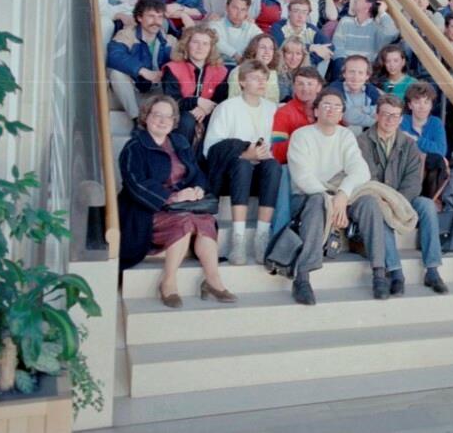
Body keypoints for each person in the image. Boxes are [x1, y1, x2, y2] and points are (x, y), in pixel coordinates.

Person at [117, 95, 235, 307]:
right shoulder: (134, 147)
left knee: (206, 221)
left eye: (168, 117)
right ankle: (168, 282)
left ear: (174, 121)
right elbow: (136, 184)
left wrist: (198, 188)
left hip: (182, 205)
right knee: (185, 221)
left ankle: (213, 280)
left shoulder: (179, 142)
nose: (163, 121)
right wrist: (173, 197)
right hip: (148, 208)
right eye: (157, 115)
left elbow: (195, 172)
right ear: (146, 117)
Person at [287, 89, 389, 305]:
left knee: (369, 202)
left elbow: (360, 170)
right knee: (317, 201)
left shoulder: (345, 135)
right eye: (326, 105)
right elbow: (303, 177)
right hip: (308, 197)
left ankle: (379, 272)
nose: (331, 110)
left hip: (337, 195)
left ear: (342, 113)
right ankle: (302, 277)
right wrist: (330, 201)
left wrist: (342, 195)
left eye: (337, 106)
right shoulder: (301, 135)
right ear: (316, 110)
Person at [358, 96, 448, 296]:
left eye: (395, 116)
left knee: (426, 205)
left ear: (400, 119)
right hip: (377, 198)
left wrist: (398, 203)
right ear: (377, 115)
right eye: (386, 114)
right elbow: (366, 178)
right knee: (379, 211)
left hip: (404, 199)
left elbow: (413, 180)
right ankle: (396, 273)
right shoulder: (362, 142)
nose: (390, 119)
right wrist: (388, 203)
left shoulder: (409, 144)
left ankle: (432, 270)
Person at [203, 59, 280, 266]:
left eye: (264, 78)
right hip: (232, 174)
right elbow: (211, 148)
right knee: (242, 165)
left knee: (273, 166)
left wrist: (264, 153)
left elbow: (277, 144)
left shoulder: (272, 109)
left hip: (261, 172)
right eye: (255, 78)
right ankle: (238, 240)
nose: (261, 82)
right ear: (242, 82)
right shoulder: (227, 107)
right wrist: (244, 153)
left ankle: (262, 236)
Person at [107, 0, 173, 124]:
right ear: (139, 17)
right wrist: (142, 70)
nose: (156, 21)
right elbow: (114, 56)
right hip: (132, 92)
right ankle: (136, 120)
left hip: (156, 93)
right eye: (151, 16)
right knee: (116, 74)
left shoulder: (168, 40)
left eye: (160, 17)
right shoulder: (127, 34)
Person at [161, 25, 229, 145]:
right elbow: (172, 101)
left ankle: (205, 157)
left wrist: (204, 109)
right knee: (187, 120)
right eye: (195, 42)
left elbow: (222, 100)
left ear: (211, 48)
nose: (200, 47)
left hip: (208, 113)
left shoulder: (221, 71)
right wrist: (196, 101)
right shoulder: (172, 68)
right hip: (180, 114)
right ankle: (183, 156)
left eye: (205, 44)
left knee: (215, 119)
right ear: (186, 45)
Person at [331, 0, 398, 79]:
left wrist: (382, 12)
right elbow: (337, 46)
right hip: (344, 67)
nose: (355, 0)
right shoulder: (345, 21)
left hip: (365, 71)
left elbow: (391, 34)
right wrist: (348, 66)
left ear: (368, 5)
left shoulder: (377, 27)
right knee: (339, 63)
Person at [271, 66, 324, 164]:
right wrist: (301, 139)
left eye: (310, 84)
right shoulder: (284, 113)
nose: (305, 89)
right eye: (300, 84)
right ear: (294, 87)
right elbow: (276, 152)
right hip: (295, 163)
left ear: (319, 87)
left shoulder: (328, 109)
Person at [270, 0, 334, 68]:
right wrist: (311, 47)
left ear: (308, 14)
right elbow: (280, 44)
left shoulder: (311, 29)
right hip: (283, 67)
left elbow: (330, 46)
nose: (300, 16)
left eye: (304, 12)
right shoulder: (278, 26)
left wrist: (308, 61)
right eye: (296, 11)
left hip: (306, 68)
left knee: (325, 53)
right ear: (289, 12)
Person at [208, 0, 262, 66]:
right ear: (227, 7)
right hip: (219, 66)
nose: (238, 14)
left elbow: (263, 40)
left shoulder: (251, 27)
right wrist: (236, 55)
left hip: (244, 68)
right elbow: (217, 42)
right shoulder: (216, 24)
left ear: (247, 12)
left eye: (243, 9)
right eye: (235, 8)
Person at [329, 55, 380, 132]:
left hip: (367, 135)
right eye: (351, 72)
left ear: (367, 76)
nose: (356, 77)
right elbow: (347, 117)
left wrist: (363, 109)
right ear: (344, 74)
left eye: (360, 73)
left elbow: (382, 108)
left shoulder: (371, 91)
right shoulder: (335, 90)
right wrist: (377, 122)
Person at [228, 33, 280, 102]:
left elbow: (274, 101)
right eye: (262, 47)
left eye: (271, 48)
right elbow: (233, 101)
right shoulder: (238, 72)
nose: (267, 52)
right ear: (254, 50)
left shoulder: (273, 73)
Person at [277, 36, 310, 102]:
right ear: (283, 54)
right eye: (289, 53)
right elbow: (285, 100)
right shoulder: (277, 74)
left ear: (303, 56)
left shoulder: (309, 74)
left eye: (298, 53)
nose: (294, 58)